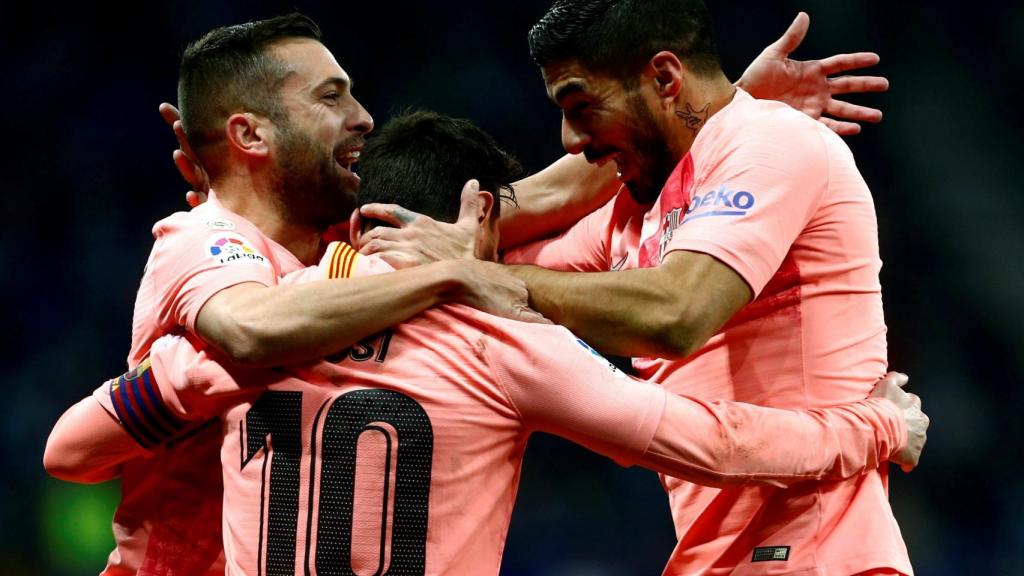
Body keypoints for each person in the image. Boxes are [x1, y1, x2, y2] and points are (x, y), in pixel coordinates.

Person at [46, 9, 897, 575]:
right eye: (333, 95)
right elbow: (691, 407)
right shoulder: (487, 333)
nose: (362, 117)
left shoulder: (264, 312)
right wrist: (875, 427)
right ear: (250, 133)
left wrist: (724, 111)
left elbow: (70, 449)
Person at [357, 1, 916, 574]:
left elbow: (676, 314)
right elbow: (479, 243)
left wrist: (475, 273)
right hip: (718, 558)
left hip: (817, 551)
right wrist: (440, 254)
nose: (570, 140)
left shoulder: (773, 142)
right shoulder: (633, 216)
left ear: (667, 78)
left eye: (581, 107)